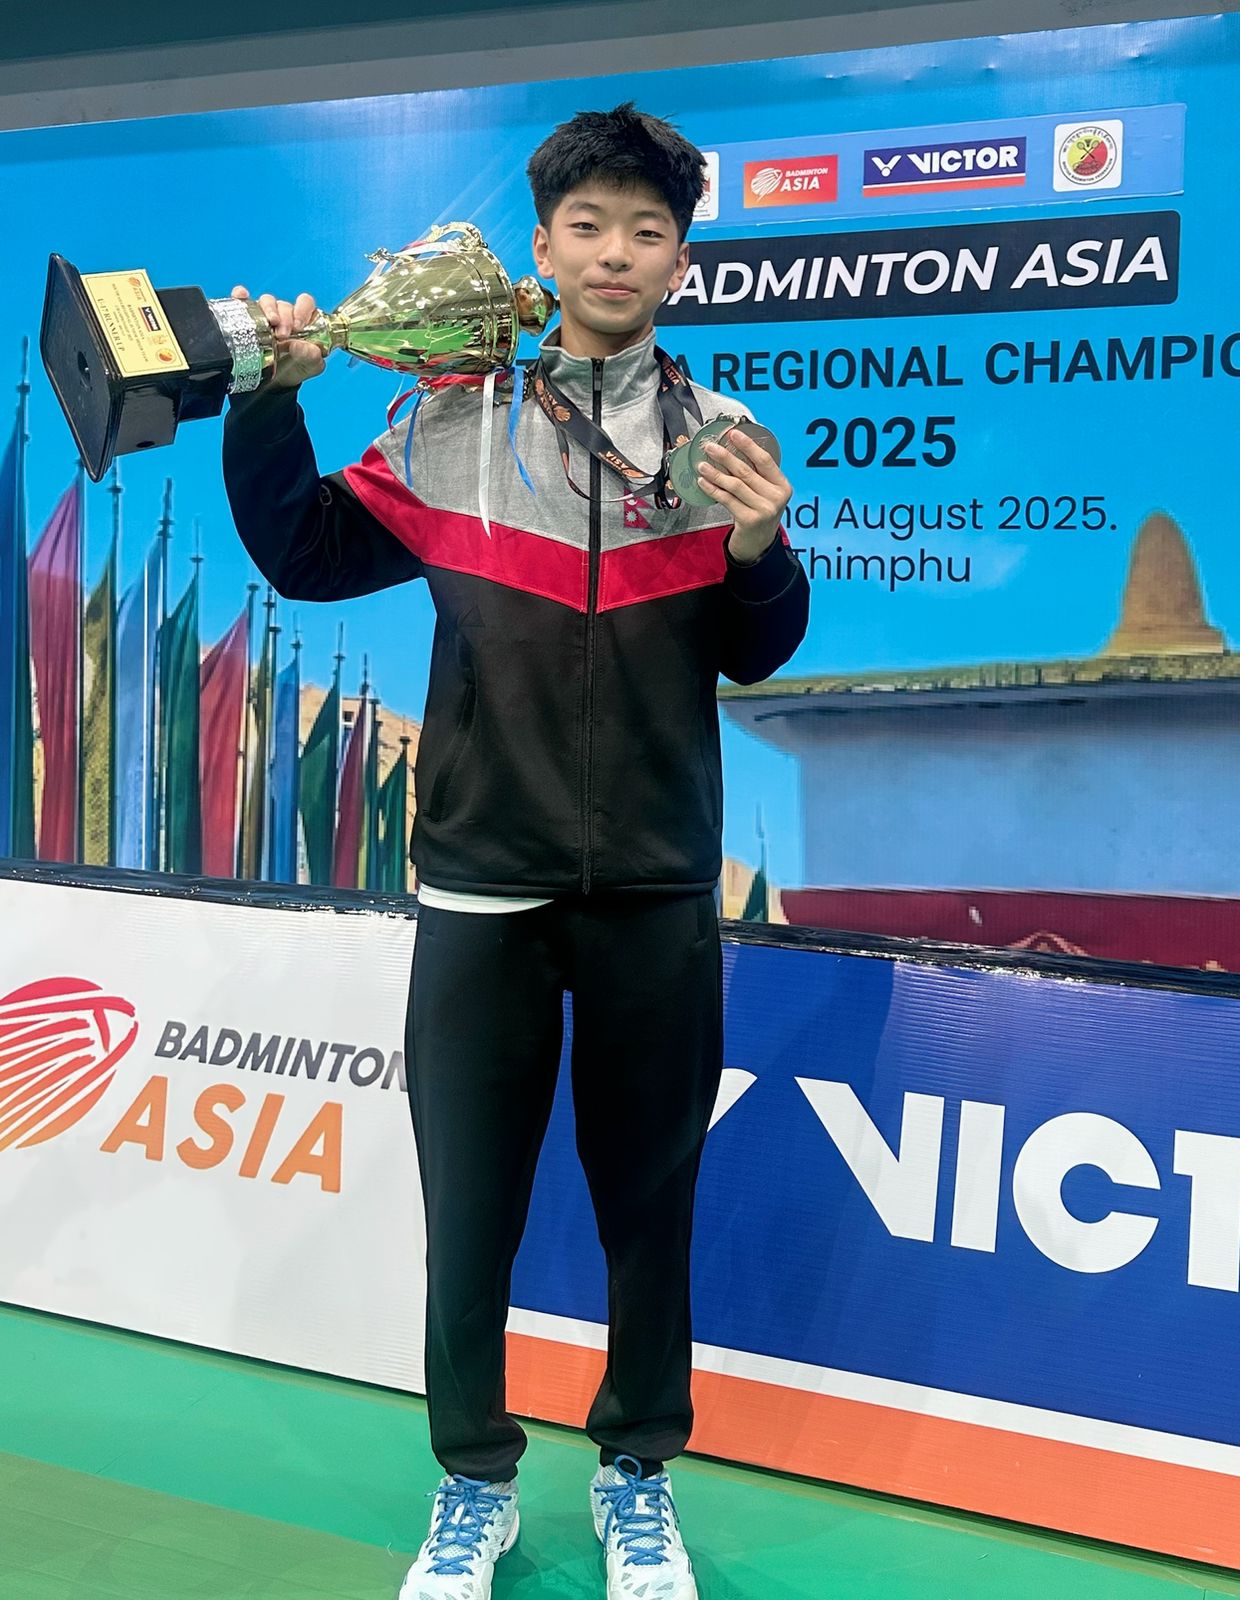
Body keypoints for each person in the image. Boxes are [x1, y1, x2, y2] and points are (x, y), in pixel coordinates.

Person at [221, 103, 809, 1600]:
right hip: (483, 886)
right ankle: (472, 1481)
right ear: (543, 249)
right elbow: (307, 556)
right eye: (589, 228)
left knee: (648, 1208)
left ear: (681, 261)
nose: (618, 254)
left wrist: (760, 548)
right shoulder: (447, 424)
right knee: (470, 1209)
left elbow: (755, 654)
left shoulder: (723, 441)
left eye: (648, 231)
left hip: (656, 893)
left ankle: (636, 1477)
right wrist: (269, 403)